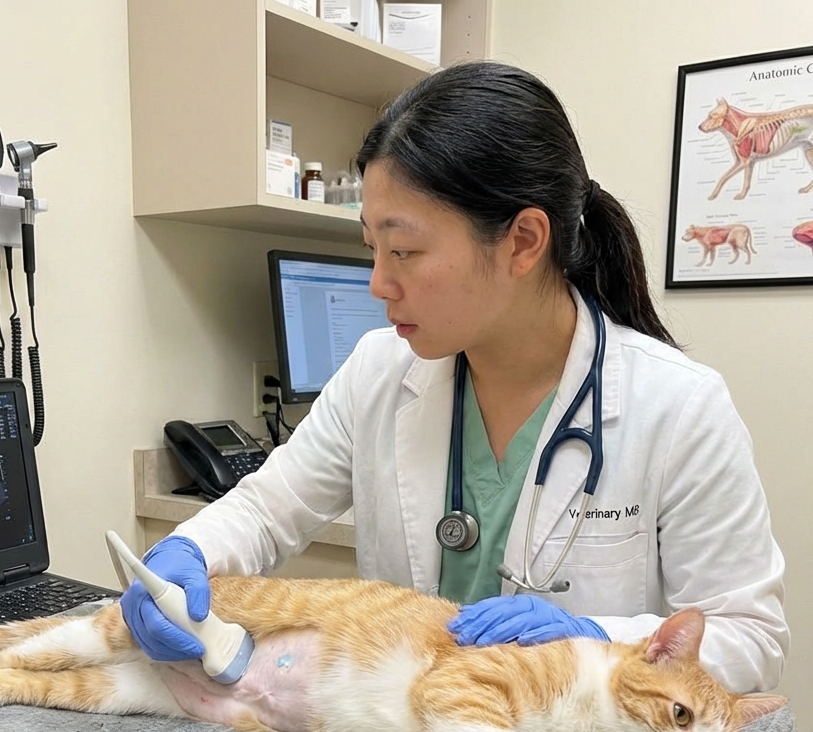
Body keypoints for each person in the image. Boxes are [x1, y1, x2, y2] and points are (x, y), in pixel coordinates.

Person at [122, 62, 787, 694]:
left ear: (524, 241)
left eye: (405, 251)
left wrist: (596, 640)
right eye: (372, 249)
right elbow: (267, 509)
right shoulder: (379, 372)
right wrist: (187, 554)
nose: (379, 283)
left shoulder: (679, 407)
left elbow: (749, 638)